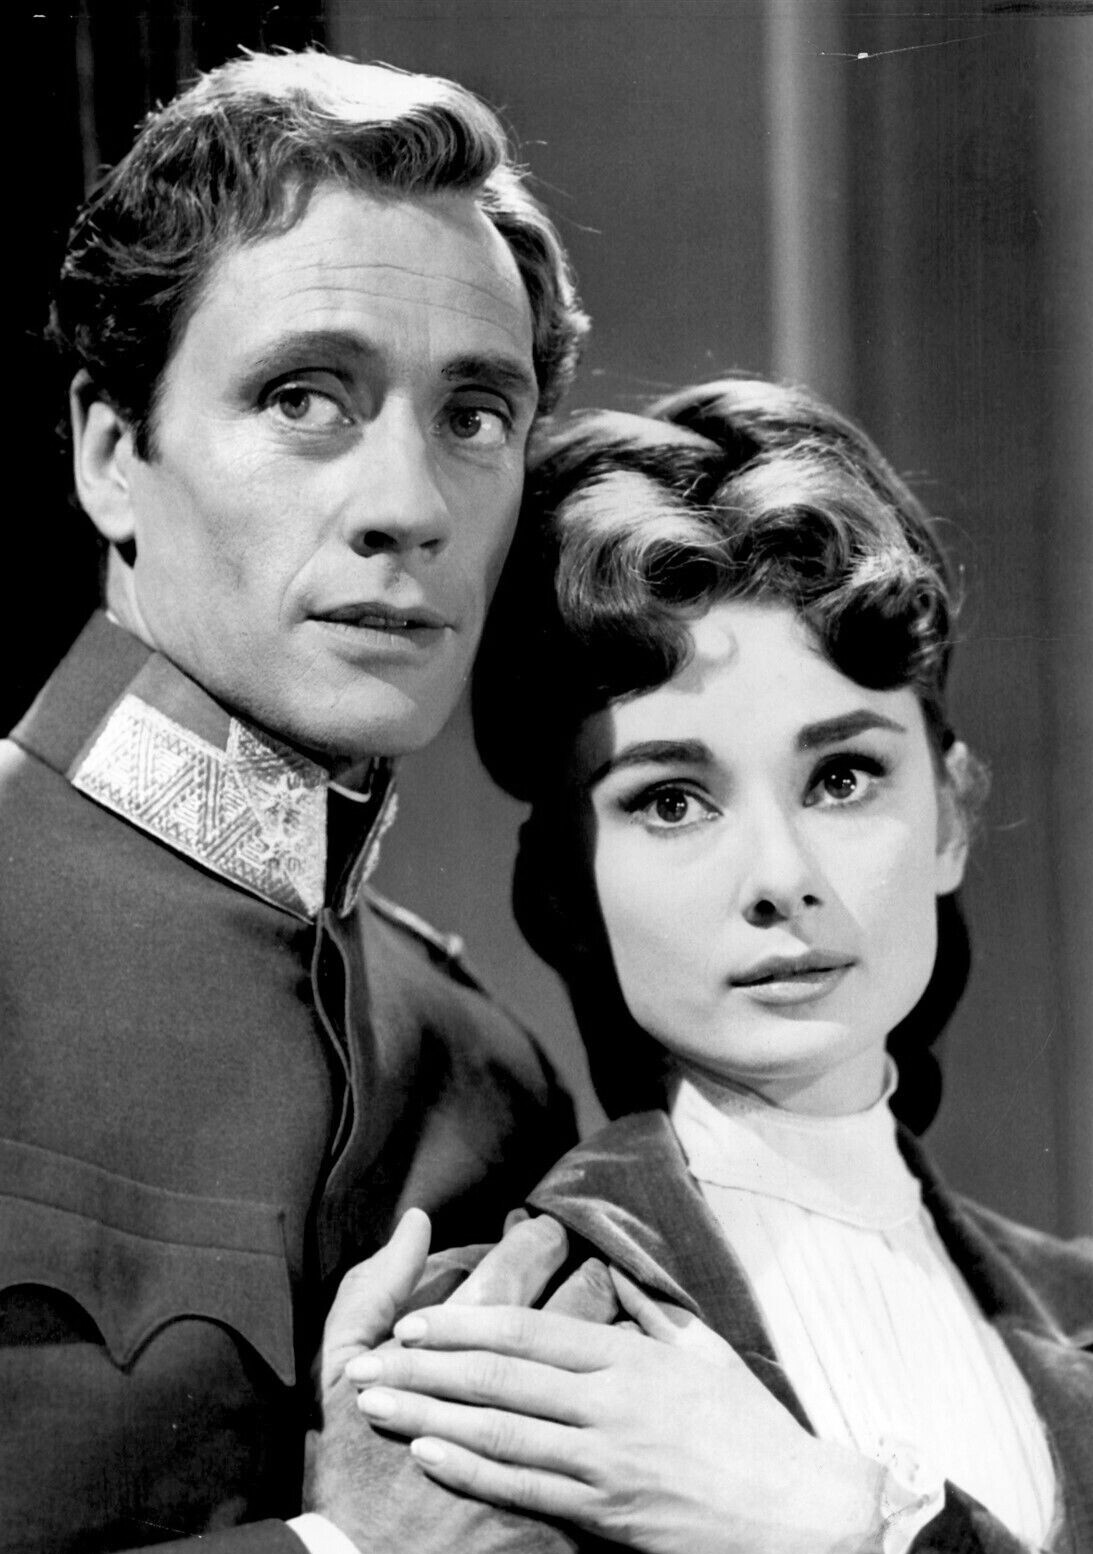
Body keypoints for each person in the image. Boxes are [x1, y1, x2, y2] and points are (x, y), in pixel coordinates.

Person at [0, 48, 592, 1554]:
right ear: (113, 455)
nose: (410, 505)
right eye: (305, 397)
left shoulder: (490, 1075)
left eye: (475, 415)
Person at [337, 379, 1093, 1552]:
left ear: (950, 815)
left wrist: (840, 1521)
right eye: (673, 801)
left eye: (841, 778)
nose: (779, 877)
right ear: (561, 891)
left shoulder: (1080, 1312)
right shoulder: (511, 1340)